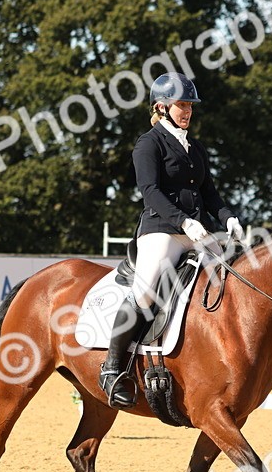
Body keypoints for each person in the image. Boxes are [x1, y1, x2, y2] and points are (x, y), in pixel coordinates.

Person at [99, 72, 245, 408]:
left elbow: (210, 194)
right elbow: (150, 192)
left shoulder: (195, 148)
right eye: (181, 104)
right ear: (162, 107)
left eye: (189, 105)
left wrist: (228, 218)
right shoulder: (148, 143)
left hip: (197, 233)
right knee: (147, 293)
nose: (187, 110)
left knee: (226, 281)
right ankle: (112, 369)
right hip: (160, 231)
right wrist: (183, 221)